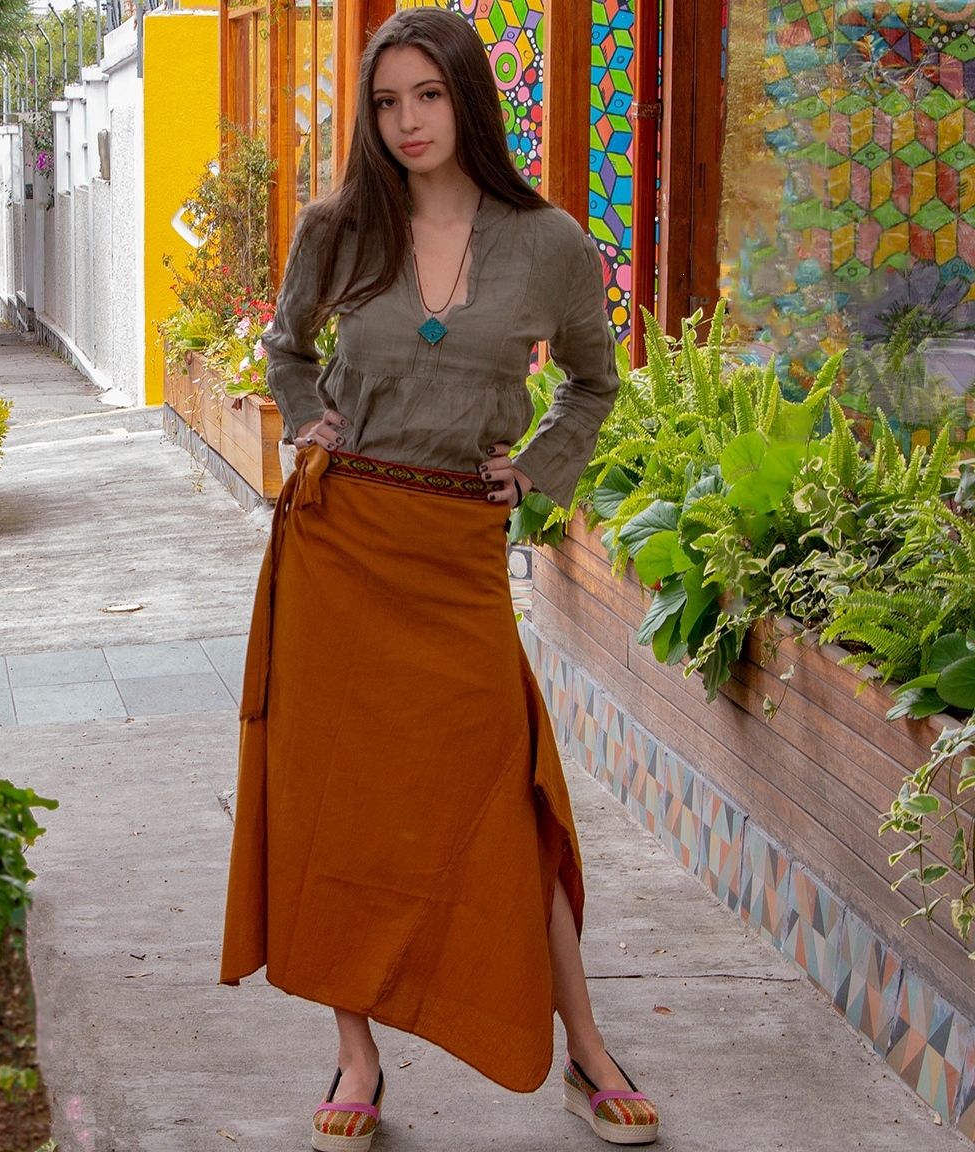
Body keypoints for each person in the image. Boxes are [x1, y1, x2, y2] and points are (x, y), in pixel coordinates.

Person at [220, 8, 660, 1149]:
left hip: (457, 552)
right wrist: (308, 417)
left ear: (469, 99)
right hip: (340, 542)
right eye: (386, 101)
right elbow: (287, 346)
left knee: (505, 800)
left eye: (427, 95)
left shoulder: (550, 243)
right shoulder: (339, 229)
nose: (407, 121)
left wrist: (541, 470)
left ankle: (586, 1049)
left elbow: (594, 383)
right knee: (340, 805)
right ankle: (356, 1055)